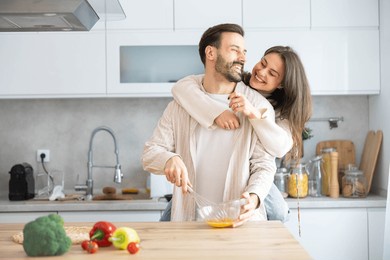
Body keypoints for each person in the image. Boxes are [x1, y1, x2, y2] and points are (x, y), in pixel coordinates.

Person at [142, 23, 277, 226]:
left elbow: (265, 166)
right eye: (235, 50)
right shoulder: (180, 105)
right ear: (210, 53)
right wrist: (169, 159)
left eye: (244, 51)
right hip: (190, 223)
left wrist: (255, 196)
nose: (243, 58)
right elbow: (150, 153)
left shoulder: (256, 105)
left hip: (241, 223)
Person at [169, 46, 313, 221]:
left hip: (254, 170)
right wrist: (216, 112)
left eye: (272, 73)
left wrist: (254, 114)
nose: (261, 71)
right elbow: (181, 88)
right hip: (214, 172)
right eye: (262, 63)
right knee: (175, 213)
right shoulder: (236, 82)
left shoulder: (282, 112)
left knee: (278, 212)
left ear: (282, 83)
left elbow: (280, 147)